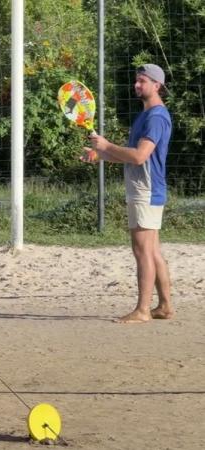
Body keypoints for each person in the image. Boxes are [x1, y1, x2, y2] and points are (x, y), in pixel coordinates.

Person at [81, 64, 174, 324]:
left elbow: (139, 156)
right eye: (136, 80)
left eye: (142, 81)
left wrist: (107, 145)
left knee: (142, 250)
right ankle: (165, 306)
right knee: (152, 251)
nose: (137, 85)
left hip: (146, 190)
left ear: (157, 85)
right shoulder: (145, 116)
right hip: (145, 188)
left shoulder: (156, 117)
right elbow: (130, 156)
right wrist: (100, 154)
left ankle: (143, 310)